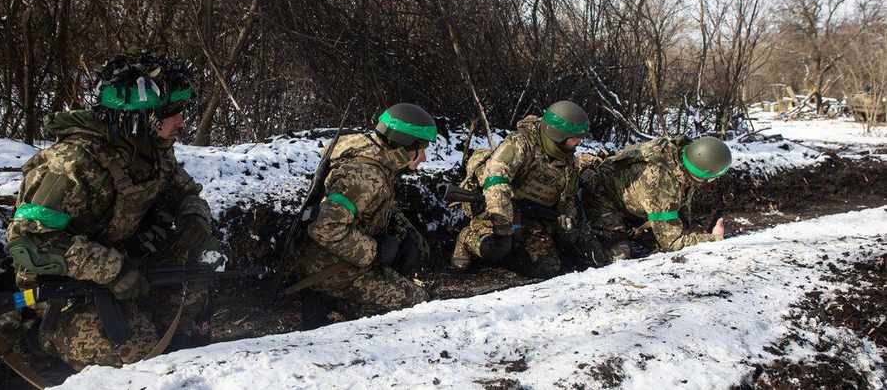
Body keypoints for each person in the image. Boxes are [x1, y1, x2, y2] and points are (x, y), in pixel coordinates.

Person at [5, 51, 220, 370]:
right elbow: (28, 243)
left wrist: (193, 215)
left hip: (126, 266)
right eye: (173, 112)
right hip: (60, 291)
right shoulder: (72, 164)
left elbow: (184, 191)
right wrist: (112, 270)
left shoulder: (150, 149)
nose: (182, 122)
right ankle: (36, 338)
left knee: (194, 294)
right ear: (143, 115)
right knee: (136, 355)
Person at [294, 103, 435, 316]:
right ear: (404, 145)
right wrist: (375, 251)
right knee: (418, 301)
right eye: (421, 148)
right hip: (329, 270)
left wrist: (405, 233)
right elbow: (325, 228)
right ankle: (333, 304)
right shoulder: (366, 177)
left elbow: (374, 206)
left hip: (341, 259)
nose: (423, 157)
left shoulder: (373, 155)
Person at [450, 101, 588, 278]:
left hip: (530, 220)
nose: (579, 142)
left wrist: (566, 218)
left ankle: (506, 257)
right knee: (495, 246)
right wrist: (500, 217)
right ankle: (467, 238)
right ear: (558, 135)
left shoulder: (569, 163)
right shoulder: (521, 144)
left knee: (548, 266)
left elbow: (567, 199)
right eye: (575, 137)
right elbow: (496, 179)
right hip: (496, 208)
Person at [576, 136, 731, 266]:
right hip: (602, 198)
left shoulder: (679, 158)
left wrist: (691, 229)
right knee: (619, 253)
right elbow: (672, 243)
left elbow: (681, 206)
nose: (711, 182)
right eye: (711, 178)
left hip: (631, 199)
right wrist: (713, 239)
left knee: (652, 238)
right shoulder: (660, 183)